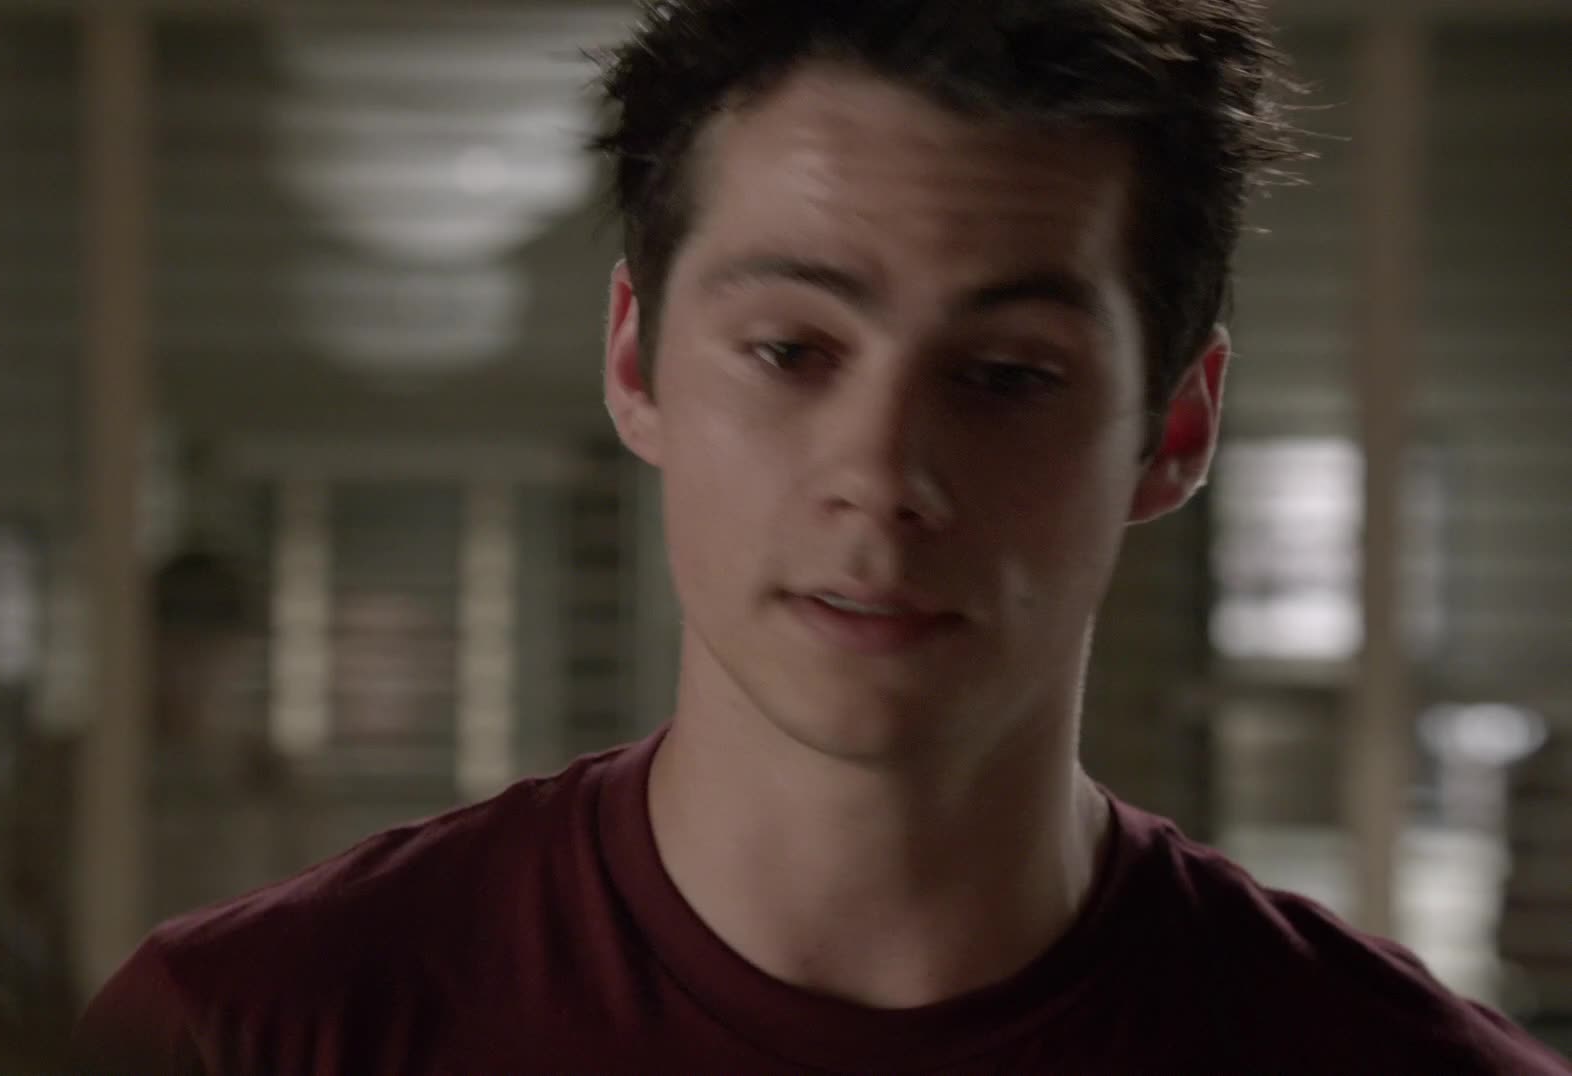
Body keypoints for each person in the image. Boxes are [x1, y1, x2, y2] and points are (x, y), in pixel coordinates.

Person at [77, 2, 1572, 1072]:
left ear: (1174, 428)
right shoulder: (249, 1032)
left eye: (1007, 377)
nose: (883, 476)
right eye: (791, 350)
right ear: (637, 362)